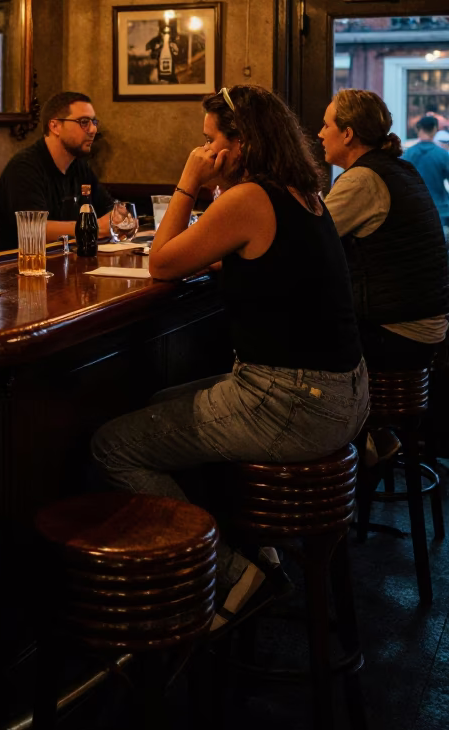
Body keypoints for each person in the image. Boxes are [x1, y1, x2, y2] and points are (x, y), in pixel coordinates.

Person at [92, 84, 368, 631]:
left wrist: (188, 182)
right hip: (343, 394)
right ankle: (254, 551)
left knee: (113, 445)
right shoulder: (300, 194)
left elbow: (163, 264)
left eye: (209, 140)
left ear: (240, 144)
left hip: (294, 402)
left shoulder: (247, 199)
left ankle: (230, 573)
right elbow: (260, 263)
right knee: (162, 403)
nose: (203, 151)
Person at [319, 89, 449, 371]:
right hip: (423, 325)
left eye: (327, 125)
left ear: (348, 134)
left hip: (397, 334)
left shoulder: (361, 180)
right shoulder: (400, 168)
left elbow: (306, 243)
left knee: (287, 338)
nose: (320, 133)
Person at [0, 90, 114, 251]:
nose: (93, 130)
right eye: (84, 122)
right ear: (55, 126)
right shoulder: (24, 167)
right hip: (11, 268)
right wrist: (93, 227)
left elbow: (109, 210)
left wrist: (121, 218)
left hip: (62, 263)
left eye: (94, 122)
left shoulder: (79, 167)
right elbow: (33, 228)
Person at [405, 114, 449, 232]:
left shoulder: (407, 155)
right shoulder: (443, 155)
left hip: (413, 210)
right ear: (435, 129)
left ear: (418, 129)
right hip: (439, 209)